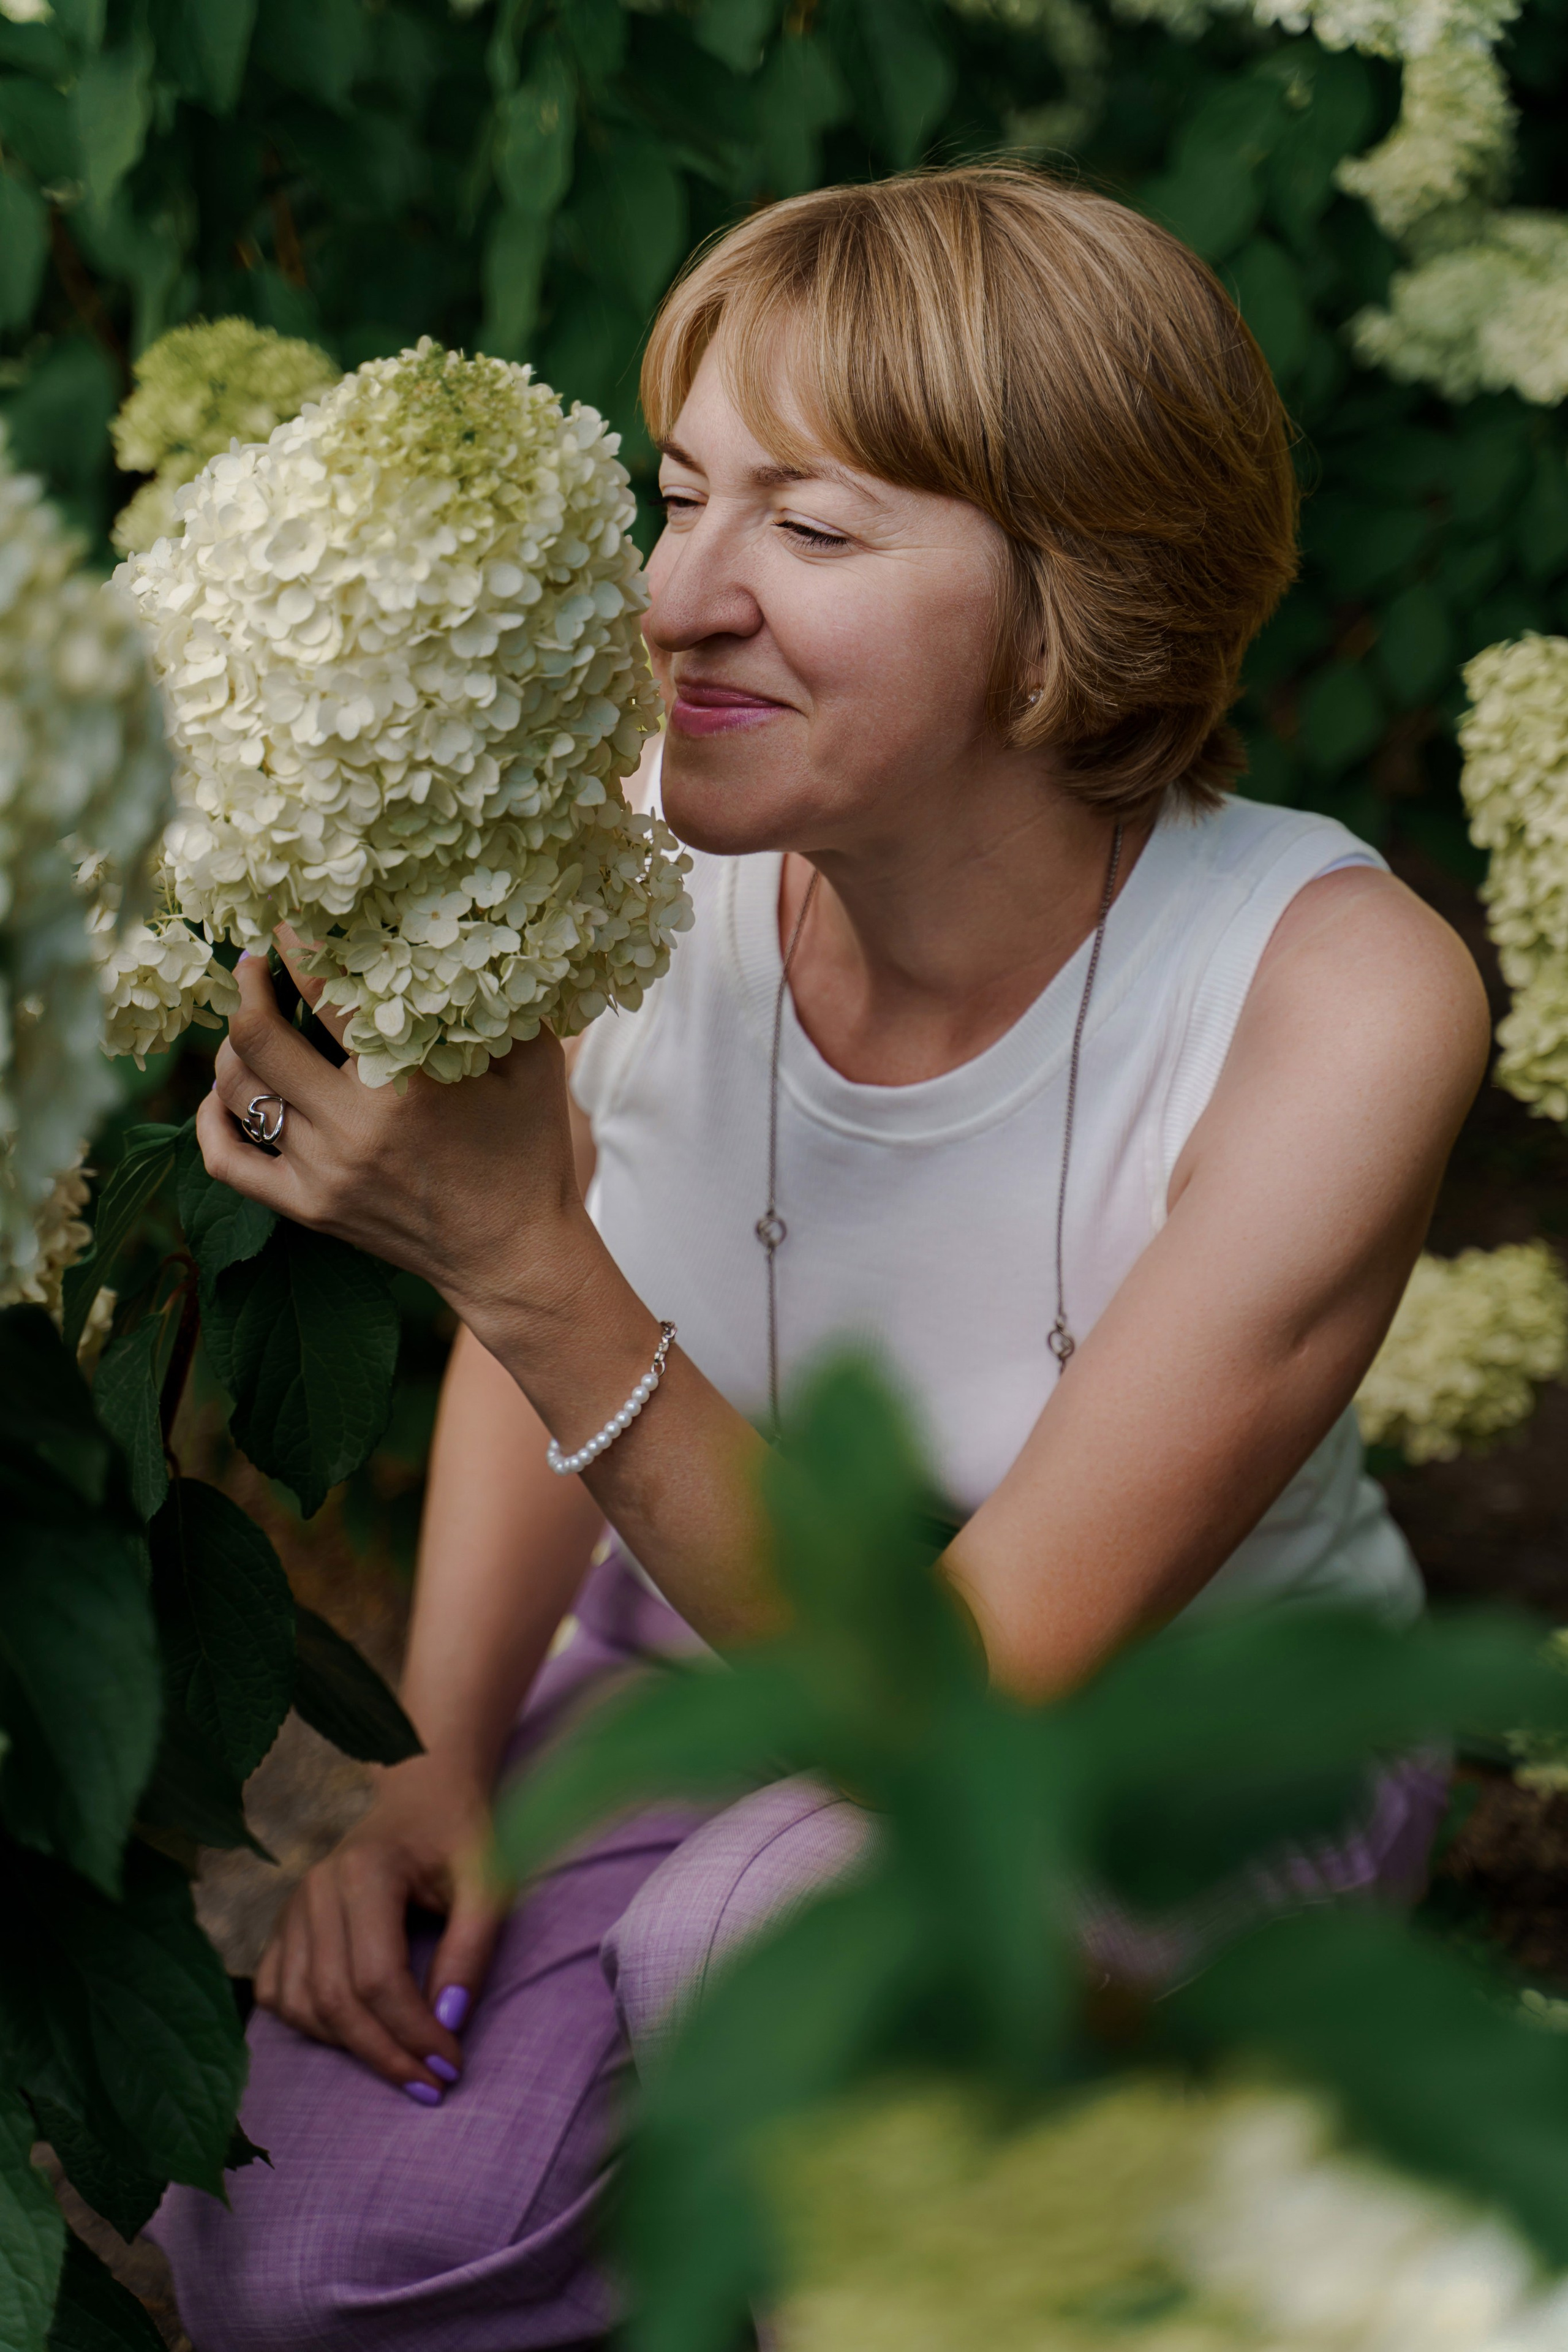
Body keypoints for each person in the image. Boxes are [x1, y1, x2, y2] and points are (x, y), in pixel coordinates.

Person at [153, 166, 1490, 2350]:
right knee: (302, 2267)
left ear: (1084, 592)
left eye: (814, 527)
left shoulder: (1333, 997)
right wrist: (443, 1755)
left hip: (1167, 1751)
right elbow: (540, 1307)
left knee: (771, 1941)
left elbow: (942, 1708)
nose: (682, 601)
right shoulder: (645, 829)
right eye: (680, 498)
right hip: (688, 1676)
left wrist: (517, 1242)